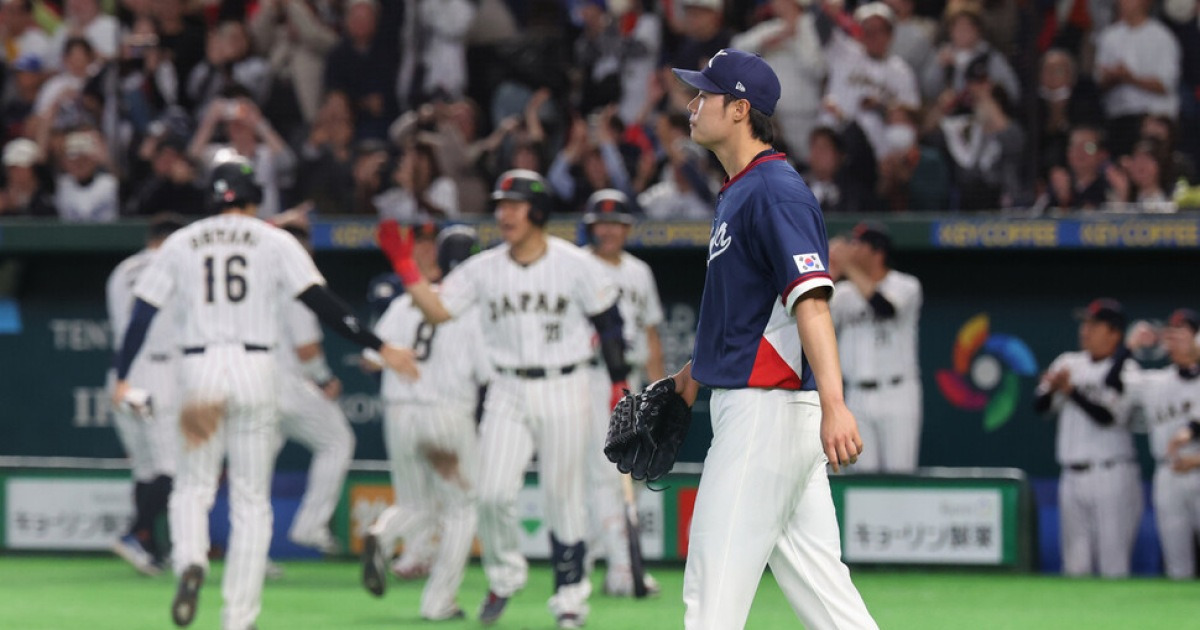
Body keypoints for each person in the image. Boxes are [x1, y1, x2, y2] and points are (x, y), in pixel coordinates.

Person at [110, 156, 418, 630]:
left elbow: (143, 315)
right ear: (254, 199)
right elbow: (324, 305)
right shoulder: (274, 240)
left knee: (193, 485)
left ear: (212, 198)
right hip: (257, 367)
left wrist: (123, 375)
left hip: (200, 368)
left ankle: (191, 557)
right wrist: (380, 345)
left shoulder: (181, 241)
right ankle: (239, 617)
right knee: (252, 500)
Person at [667, 48, 875, 629]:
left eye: (705, 94)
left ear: (739, 109)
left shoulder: (775, 191)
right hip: (769, 413)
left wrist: (835, 404)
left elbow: (810, 301)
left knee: (711, 600)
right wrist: (687, 380)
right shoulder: (740, 190)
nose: (692, 103)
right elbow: (742, 316)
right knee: (829, 603)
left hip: (768, 415)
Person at [377, 168, 633, 629]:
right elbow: (437, 311)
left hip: (564, 385)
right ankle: (505, 577)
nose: (504, 213)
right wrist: (407, 270)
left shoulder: (574, 262)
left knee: (563, 498)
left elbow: (608, 320)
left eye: (514, 205)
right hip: (507, 389)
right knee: (492, 494)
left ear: (537, 211)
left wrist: (618, 382)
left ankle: (571, 599)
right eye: (500, 205)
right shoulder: (483, 267)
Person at [362, 225, 489, 621]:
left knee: (415, 503)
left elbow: (371, 358)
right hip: (447, 412)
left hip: (400, 411)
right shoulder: (476, 307)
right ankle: (438, 603)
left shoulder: (406, 302)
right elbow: (490, 374)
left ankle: (382, 534)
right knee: (462, 509)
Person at [579, 189, 666, 597]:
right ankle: (618, 568)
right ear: (591, 227)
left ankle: (621, 563)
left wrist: (660, 393)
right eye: (601, 223)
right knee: (600, 475)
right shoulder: (579, 267)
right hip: (590, 378)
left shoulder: (639, 272)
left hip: (629, 380)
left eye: (616, 223)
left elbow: (650, 335)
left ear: (627, 228)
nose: (608, 230)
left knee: (629, 473)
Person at [1033, 298, 1142, 578]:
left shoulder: (1127, 371)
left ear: (1115, 333)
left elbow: (1108, 417)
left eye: (1094, 325)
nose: (1085, 330)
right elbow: (1040, 408)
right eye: (1085, 323)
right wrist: (1052, 389)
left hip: (1111, 472)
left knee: (1113, 565)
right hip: (1071, 474)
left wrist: (1071, 391)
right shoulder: (1069, 362)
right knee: (1074, 566)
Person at [106, 213, 187, 575]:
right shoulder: (175, 266)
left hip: (121, 375)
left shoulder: (121, 270)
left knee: (145, 469)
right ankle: (133, 535)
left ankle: (151, 548)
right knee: (171, 468)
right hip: (159, 373)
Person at [270, 216, 357, 554]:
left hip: (247, 383)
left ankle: (245, 555)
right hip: (286, 385)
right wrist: (325, 379)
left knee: (252, 472)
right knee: (337, 441)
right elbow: (306, 349)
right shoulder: (296, 287)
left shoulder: (258, 278)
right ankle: (311, 525)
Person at [829, 223, 923, 472]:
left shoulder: (905, 286)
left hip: (897, 392)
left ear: (877, 252)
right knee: (860, 478)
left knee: (899, 475)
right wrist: (829, 274)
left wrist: (847, 266)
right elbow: (810, 319)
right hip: (856, 397)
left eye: (858, 244)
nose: (851, 249)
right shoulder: (842, 293)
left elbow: (885, 308)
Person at [1126, 309, 1200, 579]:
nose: (1176, 339)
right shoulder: (1156, 381)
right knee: (1176, 562)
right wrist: (1131, 346)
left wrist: (1191, 438)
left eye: (1183, 333)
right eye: (1171, 333)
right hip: (1168, 470)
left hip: (1197, 463)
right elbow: (1115, 381)